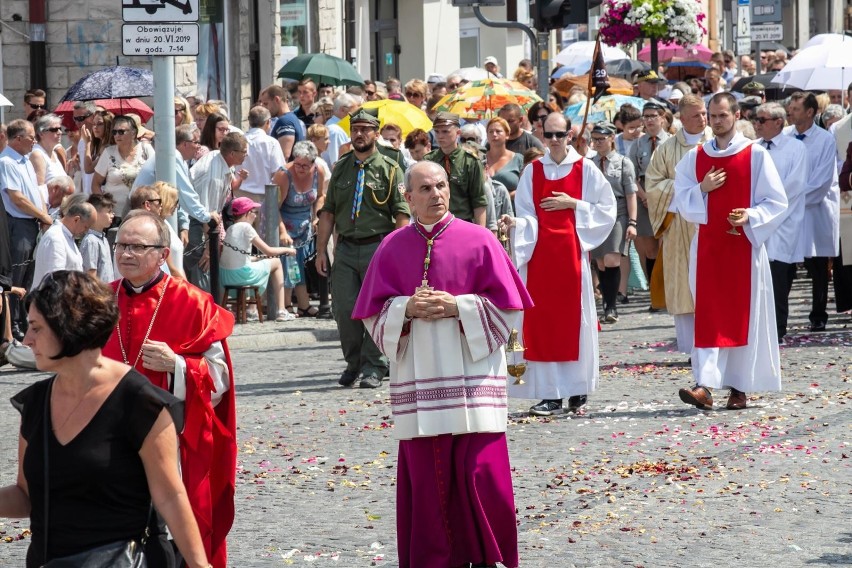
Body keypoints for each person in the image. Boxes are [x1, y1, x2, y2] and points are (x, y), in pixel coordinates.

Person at [352, 160, 532, 568]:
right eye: (426, 189)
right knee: (430, 484)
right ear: (408, 197)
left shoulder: (481, 240)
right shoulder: (391, 246)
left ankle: (492, 560)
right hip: (420, 385)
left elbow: (511, 309)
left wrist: (458, 306)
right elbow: (370, 314)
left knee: (482, 475)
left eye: (441, 186)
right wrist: (406, 307)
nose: (436, 194)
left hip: (473, 383)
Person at [3, 270, 212, 567]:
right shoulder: (35, 402)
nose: (27, 340)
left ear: (68, 327)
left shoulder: (140, 401)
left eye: (36, 328)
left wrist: (199, 565)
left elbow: (170, 497)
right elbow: (27, 495)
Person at [102, 211, 236, 568]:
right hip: (107, 438)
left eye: (137, 246)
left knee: (167, 541)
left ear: (163, 254)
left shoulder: (193, 302)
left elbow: (219, 378)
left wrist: (178, 365)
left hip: (170, 440)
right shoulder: (99, 301)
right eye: (121, 245)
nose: (125, 254)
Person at [672, 93, 787, 411]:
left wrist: (751, 216)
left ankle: (739, 387)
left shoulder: (756, 155)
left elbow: (777, 202)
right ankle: (704, 386)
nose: (717, 120)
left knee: (742, 316)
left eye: (723, 115)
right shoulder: (696, 157)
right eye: (712, 115)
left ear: (737, 115)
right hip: (708, 249)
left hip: (743, 249)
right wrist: (701, 190)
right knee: (709, 315)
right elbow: (680, 197)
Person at [500, 112, 616, 417]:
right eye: (547, 135)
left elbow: (607, 209)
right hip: (539, 257)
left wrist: (573, 204)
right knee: (544, 325)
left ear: (570, 134)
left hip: (571, 256)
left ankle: (576, 387)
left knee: (574, 323)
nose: (553, 141)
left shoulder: (586, 169)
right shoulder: (532, 171)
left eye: (558, 135)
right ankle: (550, 393)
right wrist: (516, 223)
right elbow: (526, 213)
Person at [315, 108, 410, 389]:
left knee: (376, 309)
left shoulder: (391, 168)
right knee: (344, 309)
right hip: (345, 248)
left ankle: (374, 365)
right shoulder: (341, 167)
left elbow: (401, 214)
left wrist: (397, 252)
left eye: (365, 129)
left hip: (378, 247)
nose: (359, 134)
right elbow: (328, 212)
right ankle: (353, 362)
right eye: (355, 129)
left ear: (376, 133)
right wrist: (322, 251)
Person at [644, 94, 713, 354]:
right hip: (680, 226)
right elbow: (653, 185)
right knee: (684, 287)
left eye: (704, 113)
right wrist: (691, 190)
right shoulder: (667, 148)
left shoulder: (716, 143)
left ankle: (714, 344)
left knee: (711, 286)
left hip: (711, 224)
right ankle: (691, 348)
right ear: (682, 118)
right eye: (696, 115)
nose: (703, 119)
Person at [783, 91, 840, 332]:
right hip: (787, 212)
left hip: (813, 210)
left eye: (796, 109)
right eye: (790, 108)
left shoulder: (825, 140)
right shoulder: (784, 136)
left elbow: (822, 181)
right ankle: (779, 315)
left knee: (817, 266)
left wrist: (791, 199)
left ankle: (818, 313)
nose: (790, 113)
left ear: (810, 112)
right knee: (785, 266)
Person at [752, 103, 808, 341]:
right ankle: (756, 328)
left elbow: (794, 185)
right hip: (755, 220)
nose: (757, 124)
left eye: (762, 120)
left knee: (778, 279)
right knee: (757, 279)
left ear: (778, 122)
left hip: (783, 221)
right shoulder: (753, 148)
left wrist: (768, 206)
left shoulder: (795, 148)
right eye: (755, 119)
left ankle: (777, 329)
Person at [1, 120, 52, 339]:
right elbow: (17, 198)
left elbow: (34, 191)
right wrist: (42, 215)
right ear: (18, 138)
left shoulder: (26, 161)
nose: (34, 141)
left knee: (28, 277)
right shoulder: (7, 162)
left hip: (30, 223)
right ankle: (12, 328)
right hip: (16, 224)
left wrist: (42, 214)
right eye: (31, 137)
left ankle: (23, 323)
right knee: (16, 277)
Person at [590, 122, 638, 323]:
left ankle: (611, 307)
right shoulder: (589, 163)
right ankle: (607, 301)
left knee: (612, 259)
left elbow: (630, 194)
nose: (598, 143)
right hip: (596, 212)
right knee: (600, 261)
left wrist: (632, 222)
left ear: (612, 138)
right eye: (595, 139)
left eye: (602, 138)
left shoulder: (623, 162)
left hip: (618, 212)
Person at [188, 132, 249, 290]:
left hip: (202, 219)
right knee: (203, 266)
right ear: (232, 153)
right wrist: (209, 248)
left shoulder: (219, 157)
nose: (246, 155)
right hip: (196, 222)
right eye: (244, 151)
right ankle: (203, 311)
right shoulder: (213, 177)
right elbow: (208, 215)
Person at [220, 197, 296, 320]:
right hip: (241, 275)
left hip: (226, 276)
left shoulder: (230, 228)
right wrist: (288, 250)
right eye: (254, 212)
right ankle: (282, 310)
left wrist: (259, 258)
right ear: (247, 213)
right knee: (276, 262)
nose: (256, 216)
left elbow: (240, 257)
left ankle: (251, 310)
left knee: (261, 262)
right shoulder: (246, 227)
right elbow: (269, 250)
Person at [274, 141, 325, 317]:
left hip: (304, 224)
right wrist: (281, 231)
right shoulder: (283, 174)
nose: (300, 168)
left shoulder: (319, 171)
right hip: (283, 221)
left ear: (313, 163)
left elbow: (319, 197)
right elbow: (273, 208)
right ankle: (286, 305)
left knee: (300, 266)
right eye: (297, 164)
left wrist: (317, 217)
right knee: (288, 263)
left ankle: (303, 304)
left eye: (305, 165)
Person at [628, 101, 671, 292]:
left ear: (662, 118)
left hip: (668, 195)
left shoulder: (672, 141)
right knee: (650, 249)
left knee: (667, 246)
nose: (649, 120)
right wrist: (643, 196)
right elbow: (631, 175)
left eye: (653, 116)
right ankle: (655, 289)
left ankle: (669, 288)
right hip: (644, 195)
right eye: (646, 117)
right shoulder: (637, 144)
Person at [425, 112, 487, 225]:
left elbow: (479, 201)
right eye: (437, 131)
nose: (440, 136)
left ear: (458, 133)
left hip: (462, 223)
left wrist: (481, 233)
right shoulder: (428, 161)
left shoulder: (470, 161)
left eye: (445, 131)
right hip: (434, 223)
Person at [92, 115, 155, 218]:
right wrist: (105, 205)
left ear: (133, 133)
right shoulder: (108, 152)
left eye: (121, 132)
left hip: (142, 213)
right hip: (114, 215)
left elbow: (157, 176)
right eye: (114, 132)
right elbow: (95, 184)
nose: (117, 135)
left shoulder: (146, 150)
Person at [31, 196, 95, 287]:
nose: (85, 232)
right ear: (76, 219)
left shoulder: (66, 237)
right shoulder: (56, 238)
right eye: (86, 227)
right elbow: (56, 278)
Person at [236, 106, 286, 209]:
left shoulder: (239, 140)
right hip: (262, 198)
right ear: (268, 122)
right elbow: (278, 172)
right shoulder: (272, 143)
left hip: (239, 196)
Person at [259, 84, 303, 161]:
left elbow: (284, 156)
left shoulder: (285, 121)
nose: (263, 108)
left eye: (266, 104)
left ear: (276, 99)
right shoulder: (289, 118)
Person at [80, 192, 117, 282]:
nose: (113, 215)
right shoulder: (91, 241)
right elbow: (90, 275)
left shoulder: (103, 239)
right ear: (95, 213)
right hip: (98, 294)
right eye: (109, 212)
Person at [485, 117, 525, 199]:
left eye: (498, 131)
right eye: (490, 132)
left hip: (512, 209)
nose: (494, 134)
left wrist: (504, 196)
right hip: (486, 209)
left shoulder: (519, 160)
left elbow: (526, 189)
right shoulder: (480, 159)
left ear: (507, 135)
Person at [29, 114, 67, 185]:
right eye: (54, 130)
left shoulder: (53, 153)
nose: (60, 132)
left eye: (60, 129)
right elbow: (40, 187)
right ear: (41, 134)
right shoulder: (37, 155)